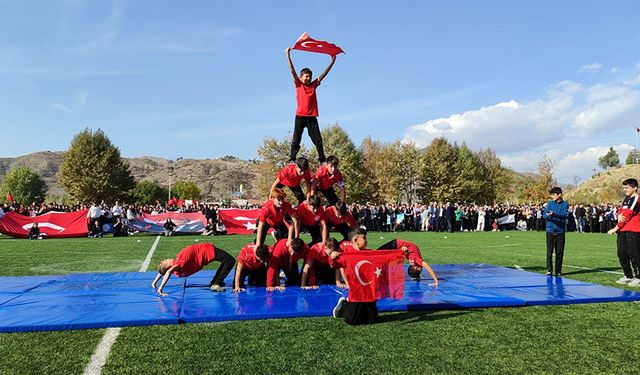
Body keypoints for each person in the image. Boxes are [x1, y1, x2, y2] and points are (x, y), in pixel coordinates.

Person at [285, 47, 337, 164]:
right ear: (301, 76)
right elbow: (292, 70)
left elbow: (324, 74)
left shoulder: (313, 85)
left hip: (311, 117)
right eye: (306, 76)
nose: (308, 78)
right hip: (300, 116)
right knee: (296, 140)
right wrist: (288, 55)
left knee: (318, 140)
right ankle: (292, 159)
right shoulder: (298, 84)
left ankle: (322, 160)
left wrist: (332, 62)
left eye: (310, 76)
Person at [329, 228, 378, 325]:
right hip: (356, 292)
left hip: (369, 292)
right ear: (356, 241)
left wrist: (400, 251)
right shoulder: (347, 255)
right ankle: (344, 305)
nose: (366, 240)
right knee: (351, 320)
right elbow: (335, 265)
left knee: (372, 320)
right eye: (364, 238)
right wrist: (332, 258)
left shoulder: (370, 252)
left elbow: (384, 256)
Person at [151, 242, 236, 295]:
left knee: (226, 261)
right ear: (167, 266)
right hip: (207, 252)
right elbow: (168, 271)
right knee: (230, 260)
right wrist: (160, 288)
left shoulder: (177, 268)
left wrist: (154, 283)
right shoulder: (178, 263)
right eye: (165, 261)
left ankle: (215, 282)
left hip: (206, 252)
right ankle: (216, 283)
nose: (167, 258)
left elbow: (162, 271)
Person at [607, 178, 640, 286]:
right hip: (623, 230)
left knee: (634, 254)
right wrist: (619, 216)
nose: (624, 189)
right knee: (621, 253)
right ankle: (628, 275)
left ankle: (638, 277)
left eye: (627, 187)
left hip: (633, 230)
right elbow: (621, 212)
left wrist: (615, 228)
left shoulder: (636, 198)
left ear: (634, 187)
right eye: (623, 187)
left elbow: (627, 214)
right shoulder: (626, 199)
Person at [543, 187, 569, 276]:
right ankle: (549, 270)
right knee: (549, 251)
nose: (552, 196)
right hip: (550, 230)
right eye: (551, 194)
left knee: (559, 252)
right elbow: (544, 215)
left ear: (559, 195)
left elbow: (564, 216)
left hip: (560, 231)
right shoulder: (549, 203)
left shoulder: (565, 204)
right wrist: (548, 215)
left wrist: (554, 214)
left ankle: (558, 271)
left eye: (554, 194)